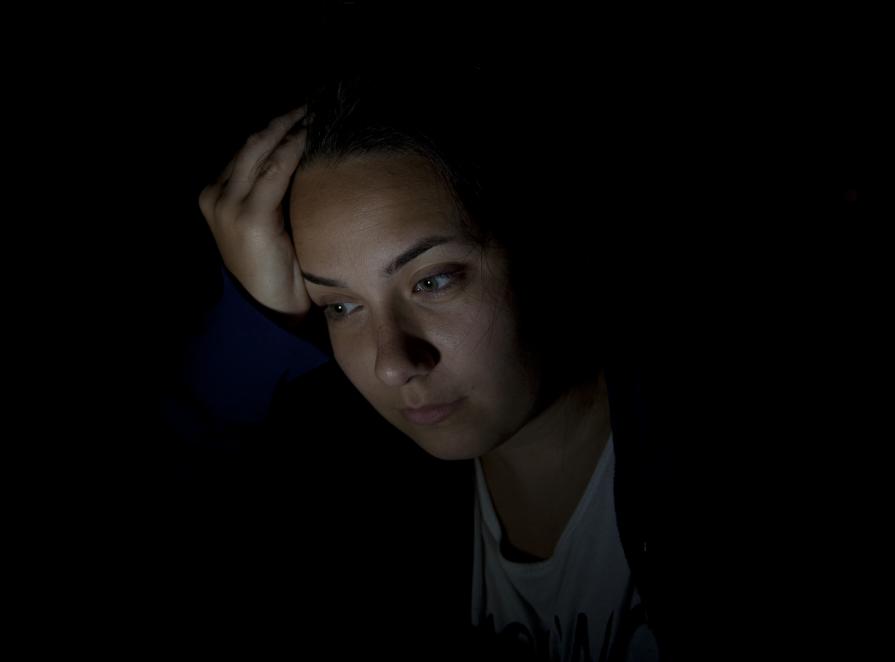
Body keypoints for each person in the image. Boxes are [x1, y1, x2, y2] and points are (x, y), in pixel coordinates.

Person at [167, 62, 692, 661]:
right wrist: (253, 325)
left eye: (434, 280)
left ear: (546, 245)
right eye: (341, 306)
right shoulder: (358, 512)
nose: (393, 365)